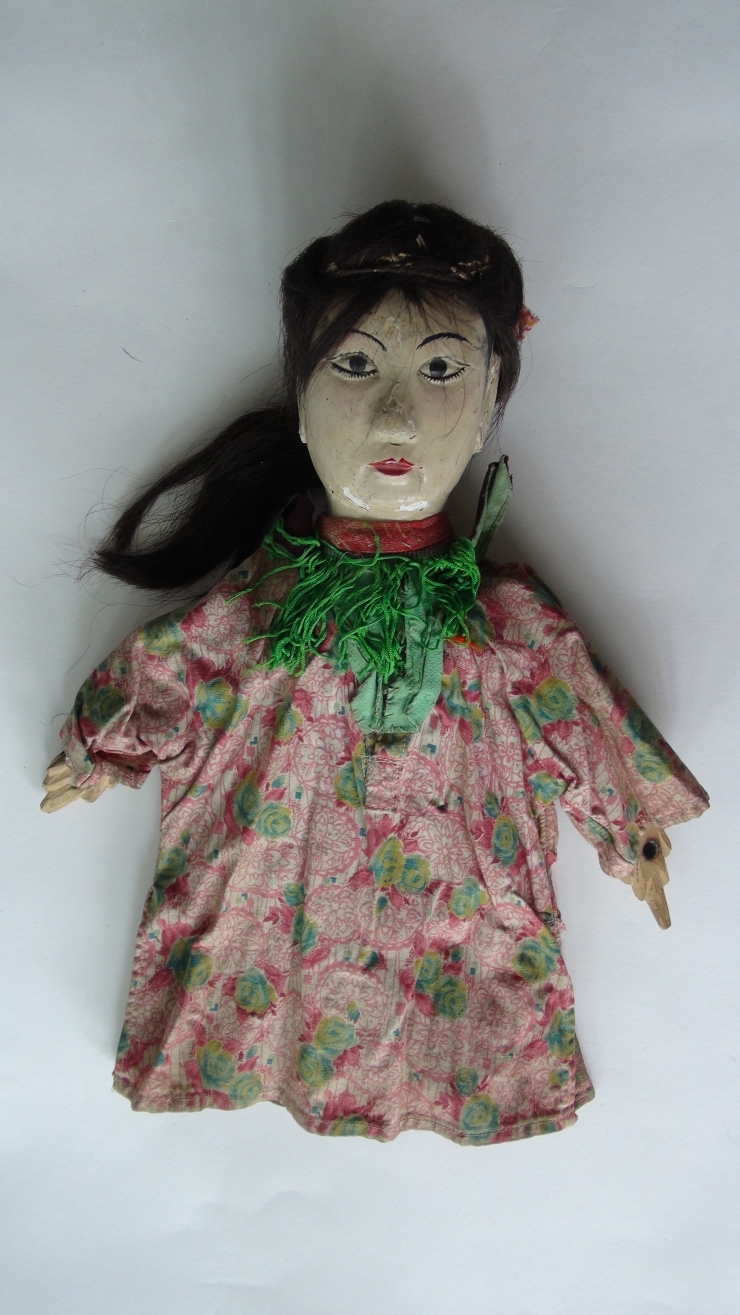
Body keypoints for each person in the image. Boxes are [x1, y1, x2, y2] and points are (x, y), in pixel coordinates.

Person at [41, 201, 708, 1143]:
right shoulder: (264, 608)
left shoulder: (506, 625)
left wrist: (629, 830)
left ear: (488, 397)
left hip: (460, 938)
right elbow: (172, 669)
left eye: (440, 369)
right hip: (264, 941)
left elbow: (577, 718)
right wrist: (102, 744)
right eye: (355, 365)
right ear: (302, 394)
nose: (395, 413)